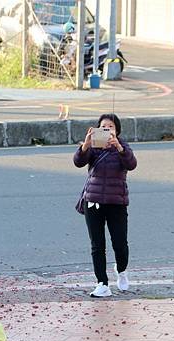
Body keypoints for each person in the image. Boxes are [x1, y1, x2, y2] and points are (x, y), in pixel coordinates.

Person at [73, 113, 137, 298]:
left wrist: (119, 148)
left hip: (116, 202)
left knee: (120, 243)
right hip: (93, 201)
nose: (107, 130)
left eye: (111, 127)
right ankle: (102, 283)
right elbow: (78, 162)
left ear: (117, 131)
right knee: (97, 245)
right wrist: (85, 145)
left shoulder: (123, 147)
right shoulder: (93, 147)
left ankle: (122, 270)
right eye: (104, 127)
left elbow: (131, 164)